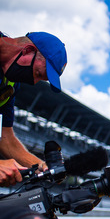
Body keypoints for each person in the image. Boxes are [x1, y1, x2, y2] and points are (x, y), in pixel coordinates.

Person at [0, 31, 67, 186]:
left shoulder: (8, 85)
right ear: (27, 51)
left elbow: (5, 139)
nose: (34, 82)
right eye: (37, 73)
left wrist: (42, 167)